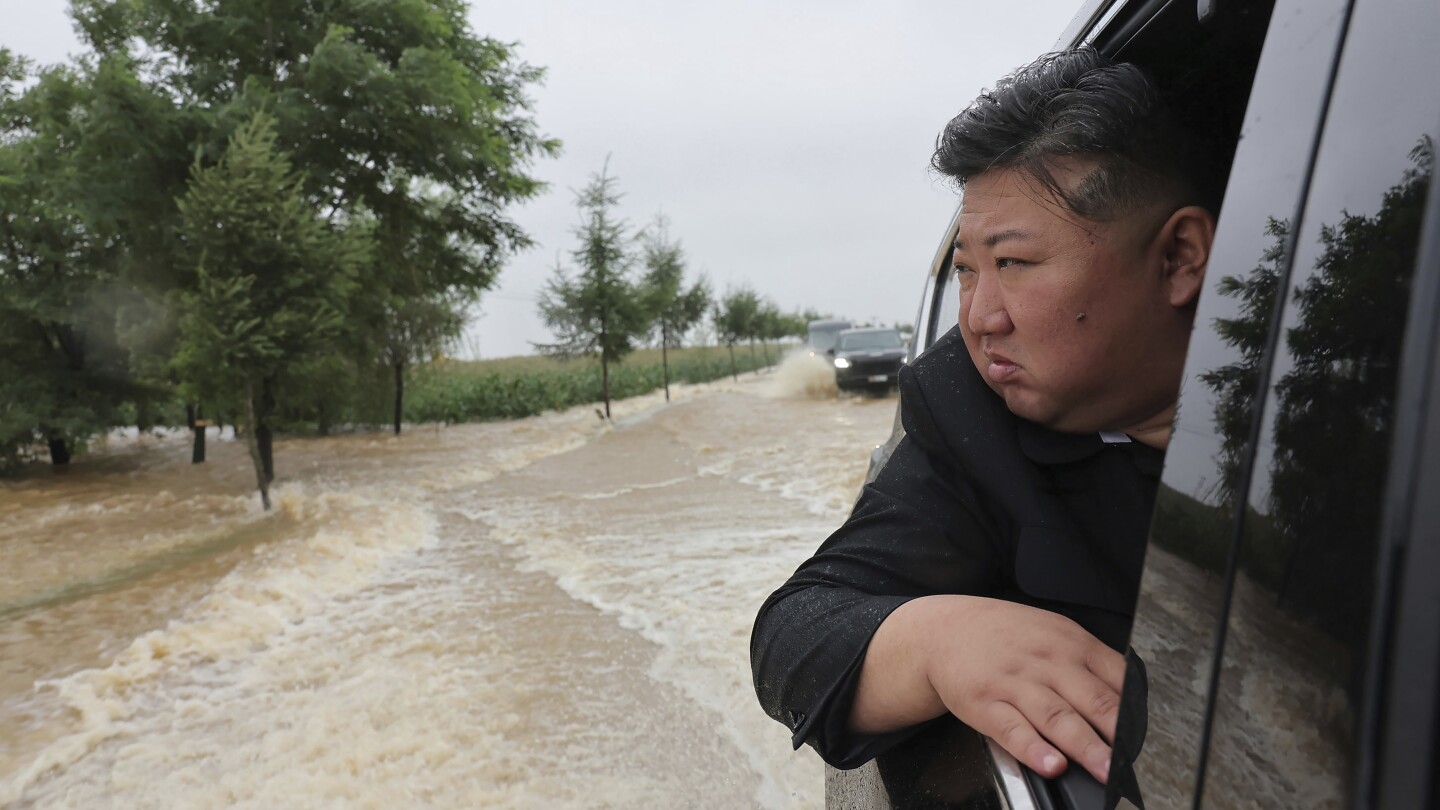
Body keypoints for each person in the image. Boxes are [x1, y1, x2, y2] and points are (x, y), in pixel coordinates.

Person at [750, 47, 1219, 787]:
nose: (977, 317)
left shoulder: (1345, 419)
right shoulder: (970, 413)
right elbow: (793, 638)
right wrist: (935, 641)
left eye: (1014, 265)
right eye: (967, 269)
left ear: (1179, 258)